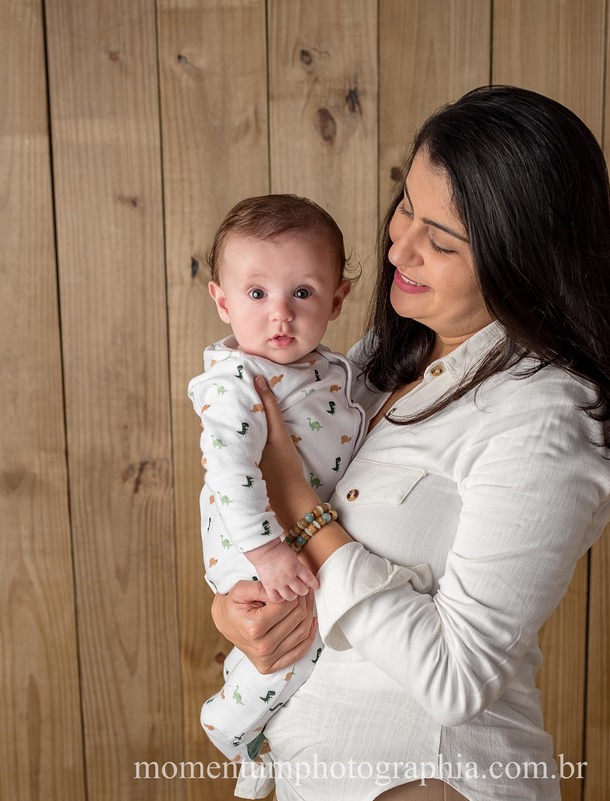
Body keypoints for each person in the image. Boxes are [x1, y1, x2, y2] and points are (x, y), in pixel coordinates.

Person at [211, 85, 610, 800]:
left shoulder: (547, 415)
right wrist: (238, 611)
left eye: (443, 240)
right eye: (406, 206)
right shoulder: (372, 362)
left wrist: (296, 502)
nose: (400, 247)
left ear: (522, 261)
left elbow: (458, 679)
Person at [188, 194, 366, 796]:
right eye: (257, 293)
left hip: (294, 540)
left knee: (303, 644)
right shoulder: (235, 381)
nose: (280, 315)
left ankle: (258, 743)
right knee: (293, 641)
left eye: (303, 293)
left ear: (337, 299)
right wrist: (265, 551)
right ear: (223, 301)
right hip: (255, 544)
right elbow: (228, 468)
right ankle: (230, 726)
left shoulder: (330, 370)